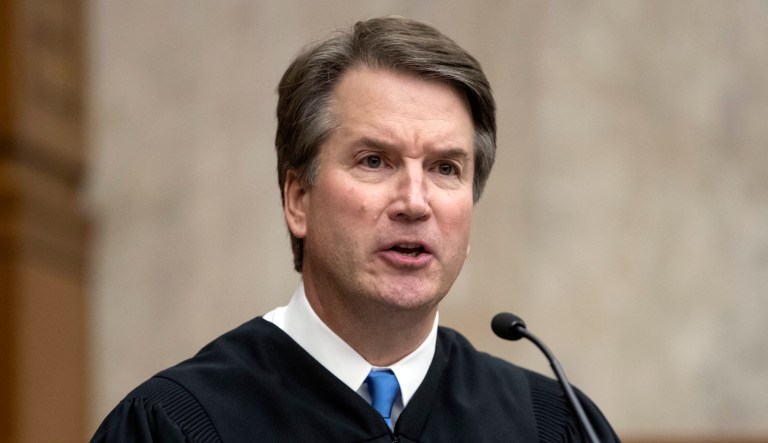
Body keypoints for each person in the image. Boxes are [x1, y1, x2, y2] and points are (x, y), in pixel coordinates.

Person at [92, 16, 620, 442]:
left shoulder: (553, 426)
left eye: (445, 168)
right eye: (374, 161)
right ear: (298, 199)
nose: (415, 202)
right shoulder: (176, 425)